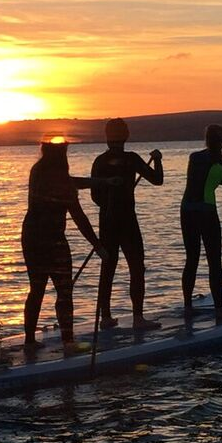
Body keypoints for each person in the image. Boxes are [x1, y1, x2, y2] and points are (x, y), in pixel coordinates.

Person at [22, 138, 108, 352]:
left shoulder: (37, 173)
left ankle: (30, 340)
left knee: (36, 289)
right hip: (53, 240)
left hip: (31, 238)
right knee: (64, 291)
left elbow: (71, 181)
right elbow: (78, 216)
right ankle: (68, 340)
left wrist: (100, 182)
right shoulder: (62, 184)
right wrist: (97, 246)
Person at [90, 118, 164, 330]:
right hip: (127, 220)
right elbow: (157, 179)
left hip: (107, 220)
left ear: (107, 137)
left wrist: (107, 205)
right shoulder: (131, 159)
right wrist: (157, 160)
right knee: (136, 266)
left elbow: (95, 195)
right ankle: (137, 318)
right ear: (126, 136)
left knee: (108, 267)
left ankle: (106, 317)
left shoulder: (99, 161)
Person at [180, 124, 222, 321]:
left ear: (206, 140)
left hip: (186, 212)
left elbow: (203, 179)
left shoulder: (194, 158)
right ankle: (219, 309)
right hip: (206, 214)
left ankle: (187, 306)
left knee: (191, 259)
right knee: (214, 261)